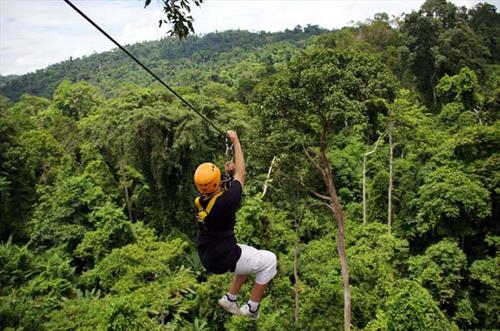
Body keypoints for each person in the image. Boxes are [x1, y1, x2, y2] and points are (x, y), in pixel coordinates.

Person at [193, 130, 277, 319]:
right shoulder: (227, 200)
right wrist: (236, 141)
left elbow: (222, 189)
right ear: (216, 183)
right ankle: (252, 308)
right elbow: (242, 173)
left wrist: (228, 177)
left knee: (248, 255)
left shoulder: (201, 200)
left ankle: (230, 298)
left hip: (209, 253)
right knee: (270, 260)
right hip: (223, 256)